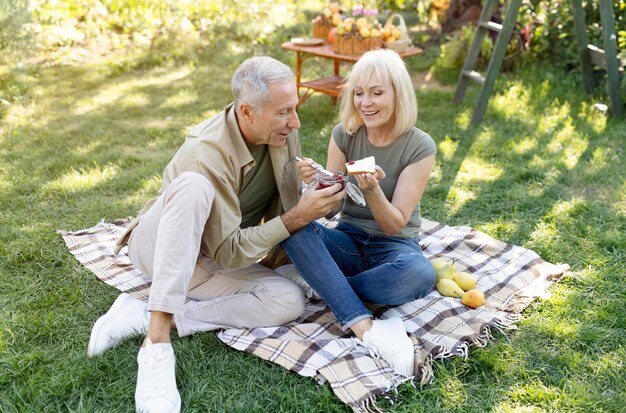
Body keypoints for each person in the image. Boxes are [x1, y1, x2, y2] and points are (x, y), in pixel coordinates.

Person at [87, 56, 346, 413]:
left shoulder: (281, 132)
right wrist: (299, 216)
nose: (295, 121)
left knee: (288, 300)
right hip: (160, 248)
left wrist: (322, 197)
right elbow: (232, 250)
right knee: (193, 186)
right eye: (284, 112)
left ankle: (153, 310)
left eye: (294, 109)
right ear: (247, 111)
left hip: (211, 261)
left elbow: (283, 212)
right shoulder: (205, 155)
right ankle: (157, 343)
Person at [282, 49, 437, 377]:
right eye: (359, 93)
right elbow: (333, 208)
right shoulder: (344, 135)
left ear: (399, 94)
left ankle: (325, 283)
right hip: (348, 240)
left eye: (377, 93)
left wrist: (371, 189)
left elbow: (395, 225)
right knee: (293, 225)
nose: (365, 103)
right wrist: (319, 184)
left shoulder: (420, 147)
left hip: (394, 248)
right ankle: (368, 327)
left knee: (420, 274)